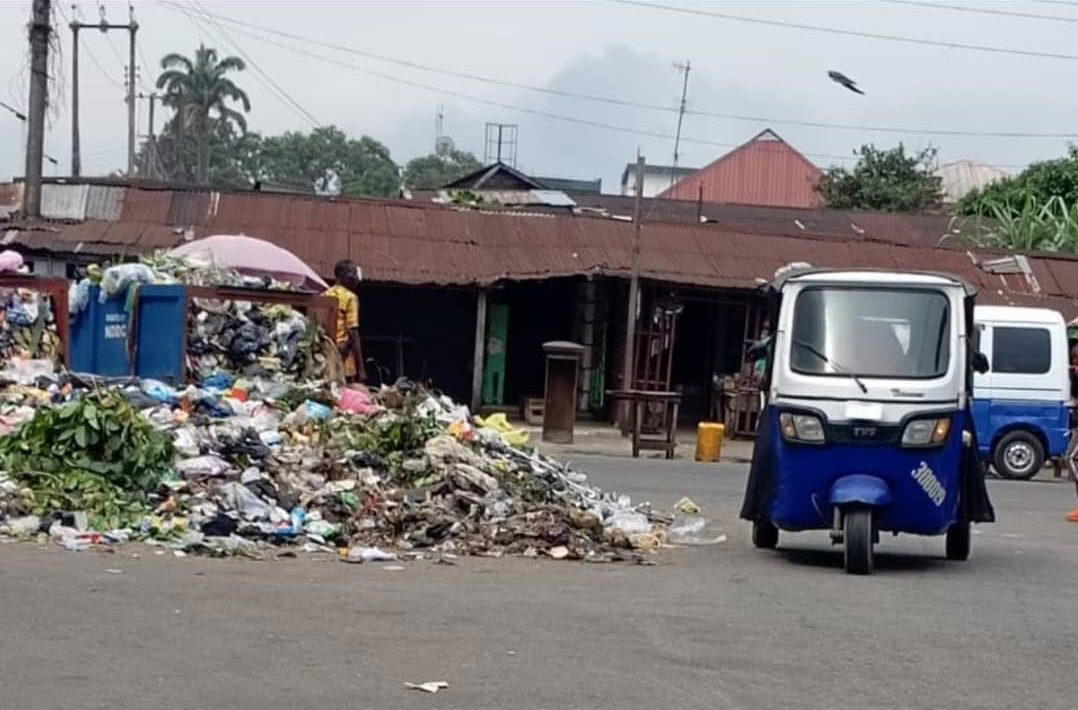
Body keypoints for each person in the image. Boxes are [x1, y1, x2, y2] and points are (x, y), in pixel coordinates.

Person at [325, 260, 365, 383]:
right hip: (344, 353)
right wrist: (361, 368)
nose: (356, 278)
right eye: (353, 274)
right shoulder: (350, 297)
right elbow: (352, 331)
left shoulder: (325, 294)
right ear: (343, 275)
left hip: (326, 350)